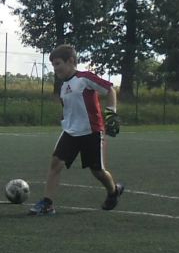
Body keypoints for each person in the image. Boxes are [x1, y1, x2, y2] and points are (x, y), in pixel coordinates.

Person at [28, 45, 124, 216]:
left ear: (71, 61)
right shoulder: (63, 86)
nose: (55, 68)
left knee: (97, 171)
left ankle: (113, 191)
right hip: (70, 132)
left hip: (91, 132)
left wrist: (111, 113)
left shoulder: (84, 78)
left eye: (58, 63)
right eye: (53, 65)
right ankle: (47, 204)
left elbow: (110, 89)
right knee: (56, 163)